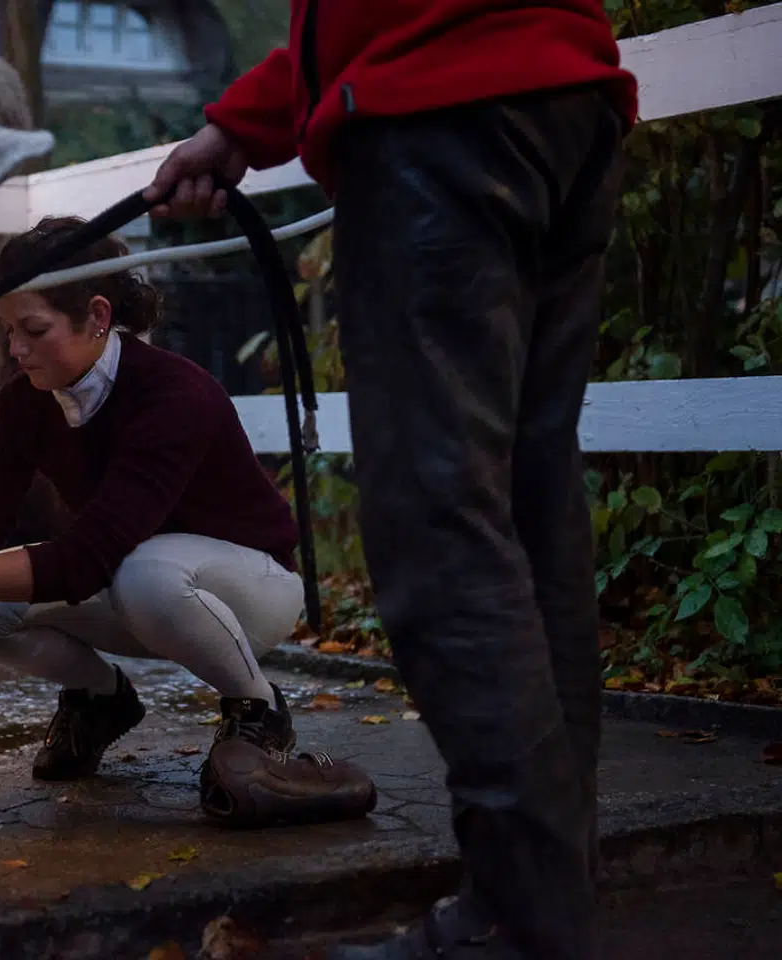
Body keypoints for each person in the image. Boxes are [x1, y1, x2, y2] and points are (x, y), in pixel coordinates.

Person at [140, 2, 639, 959]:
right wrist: (239, 124)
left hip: (443, 115)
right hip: (561, 97)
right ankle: (550, 896)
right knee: (532, 514)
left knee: (436, 521)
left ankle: (522, 923)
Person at [0, 216, 377, 828]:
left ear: (97, 315)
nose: (16, 351)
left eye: (34, 331)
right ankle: (102, 699)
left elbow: (82, 560)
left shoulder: (173, 394)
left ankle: (257, 707)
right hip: (140, 584)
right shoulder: (24, 404)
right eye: (9, 331)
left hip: (247, 590)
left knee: (144, 574)